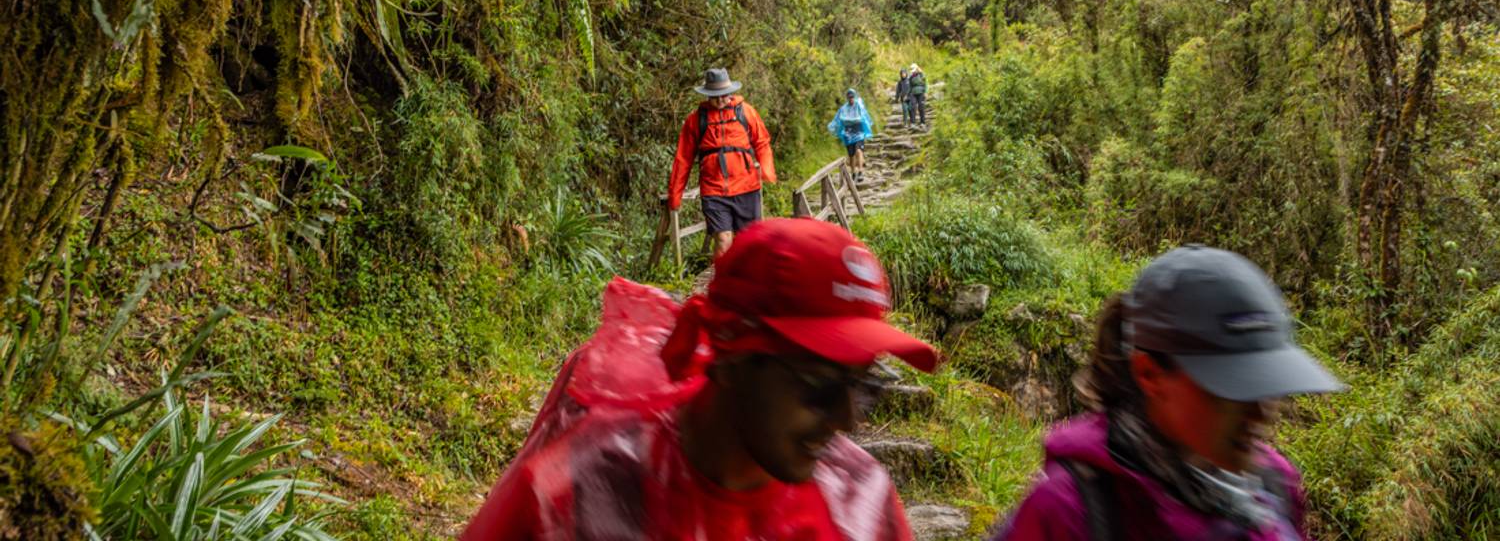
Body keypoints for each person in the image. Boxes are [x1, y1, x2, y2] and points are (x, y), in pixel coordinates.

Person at [460, 218, 940, 540]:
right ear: (731, 356)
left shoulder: (862, 503)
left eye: (864, 385)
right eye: (819, 385)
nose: (847, 420)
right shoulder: (581, 496)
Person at [990, 245, 1344, 541]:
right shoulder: (1070, 511)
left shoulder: (1276, 484)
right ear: (1150, 374)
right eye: (1231, 391)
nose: (1259, 413)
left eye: (1266, 386)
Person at [667, 68, 776, 254]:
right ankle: (722, 282)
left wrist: (767, 170)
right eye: (715, 96)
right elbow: (683, 159)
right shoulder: (696, 120)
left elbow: (762, 142)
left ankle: (747, 282)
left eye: (724, 95)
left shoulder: (746, 112)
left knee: (748, 241)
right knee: (723, 238)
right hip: (713, 190)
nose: (720, 100)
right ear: (708, 95)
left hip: (746, 187)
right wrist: (675, 194)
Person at [829, 88, 873, 183]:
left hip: (858, 132)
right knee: (851, 155)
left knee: (859, 151)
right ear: (847, 98)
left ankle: (860, 171)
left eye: (852, 97)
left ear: (855, 96)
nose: (851, 99)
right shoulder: (844, 108)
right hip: (848, 134)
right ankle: (853, 173)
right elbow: (838, 119)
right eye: (849, 97)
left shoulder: (859, 106)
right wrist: (833, 128)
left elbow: (864, 116)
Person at [907, 63, 928, 128]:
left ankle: (923, 122)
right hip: (913, 93)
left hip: (921, 92)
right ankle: (913, 122)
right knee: (913, 107)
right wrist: (908, 94)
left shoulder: (922, 75)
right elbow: (910, 86)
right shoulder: (911, 77)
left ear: (917, 69)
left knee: (921, 107)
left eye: (914, 70)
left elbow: (926, 84)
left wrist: (926, 92)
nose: (913, 72)